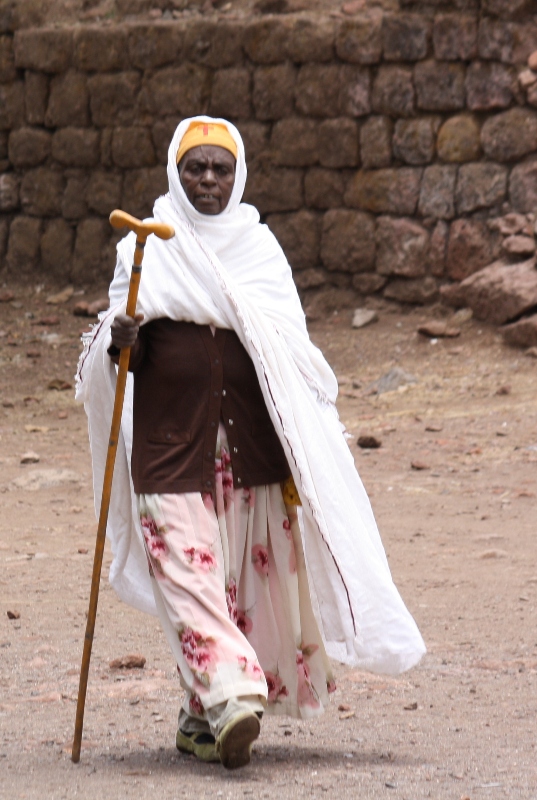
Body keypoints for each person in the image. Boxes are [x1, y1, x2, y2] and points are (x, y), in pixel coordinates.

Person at [76, 116, 426, 770]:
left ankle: (197, 717)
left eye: (221, 168)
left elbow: (289, 356)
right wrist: (117, 343)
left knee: (238, 586)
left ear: (239, 177)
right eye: (195, 168)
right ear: (174, 175)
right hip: (171, 450)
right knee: (190, 573)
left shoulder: (260, 252)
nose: (208, 179)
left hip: (251, 458)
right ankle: (234, 693)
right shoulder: (145, 252)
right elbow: (117, 364)